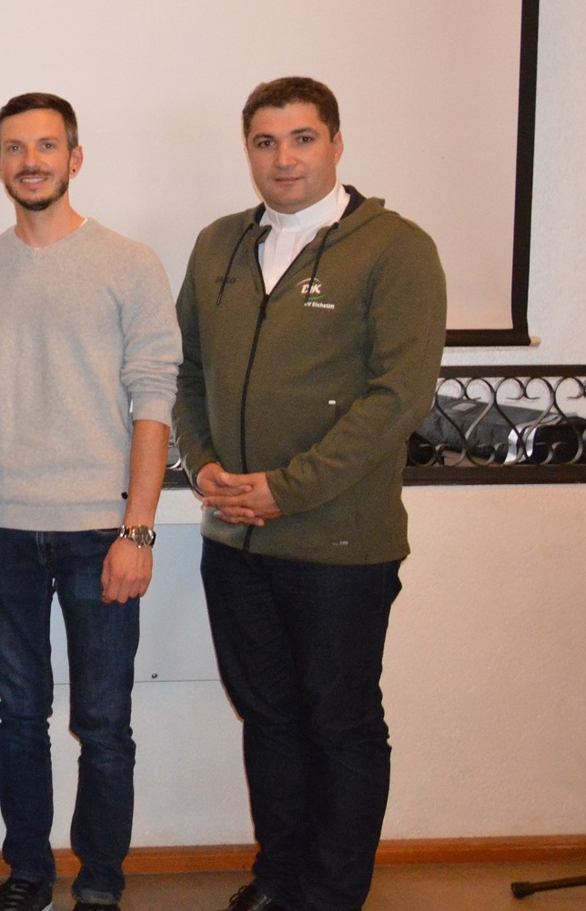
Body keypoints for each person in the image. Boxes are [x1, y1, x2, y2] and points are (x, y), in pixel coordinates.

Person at [175, 77, 446, 911]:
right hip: (234, 542)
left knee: (339, 724)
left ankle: (330, 895)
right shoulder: (218, 244)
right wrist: (204, 463)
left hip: (337, 547)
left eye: (299, 139)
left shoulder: (394, 248)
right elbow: (186, 374)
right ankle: (281, 876)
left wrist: (285, 492)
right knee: (270, 721)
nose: (282, 158)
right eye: (264, 141)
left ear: (334, 143)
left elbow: (394, 399)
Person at [0, 93, 181, 911]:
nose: (30, 161)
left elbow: (153, 400)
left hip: (100, 533)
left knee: (104, 726)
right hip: (3, 533)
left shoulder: (131, 264)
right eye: (14, 148)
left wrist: (138, 530)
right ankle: (27, 875)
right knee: (20, 718)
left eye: (46, 146)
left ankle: (102, 883)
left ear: (74, 158)